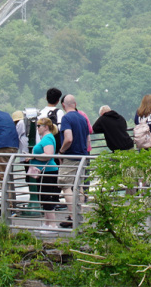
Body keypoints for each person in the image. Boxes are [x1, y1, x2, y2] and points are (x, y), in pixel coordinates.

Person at [57, 94, 90, 228]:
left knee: (65, 184)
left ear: (63, 105)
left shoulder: (66, 118)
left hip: (71, 156)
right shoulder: (82, 118)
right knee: (79, 185)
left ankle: (73, 216)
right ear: (75, 104)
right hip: (83, 156)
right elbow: (88, 139)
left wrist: (61, 151)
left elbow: (68, 139)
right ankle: (80, 214)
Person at [30, 117, 60, 232]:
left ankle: (52, 225)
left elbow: (48, 154)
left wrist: (33, 156)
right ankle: (47, 223)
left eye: (39, 126)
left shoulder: (47, 138)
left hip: (48, 171)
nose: (37, 128)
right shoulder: (46, 138)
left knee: (47, 197)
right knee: (44, 197)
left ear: (46, 127)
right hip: (44, 171)